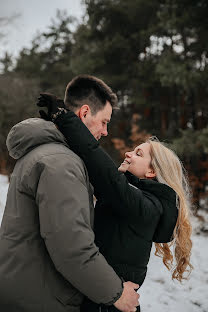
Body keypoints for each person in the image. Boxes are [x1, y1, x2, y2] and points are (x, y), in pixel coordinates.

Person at [37, 93, 193, 312]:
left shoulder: (147, 207)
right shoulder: (132, 198)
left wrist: (65, 117)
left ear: (151, 171)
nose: (129, 153)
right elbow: (96, 168)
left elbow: (101, 167)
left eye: (138, 153)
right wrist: (56, 128)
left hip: (109, 304)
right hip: (102, 297)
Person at [0, 75, 140, 312]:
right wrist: (116, 293)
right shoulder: (61, 162)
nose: (106, 132)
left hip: (26, 291)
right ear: (84, 113)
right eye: (104, 122)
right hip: (41, 301)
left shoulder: (46, 154)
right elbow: (72, 247)